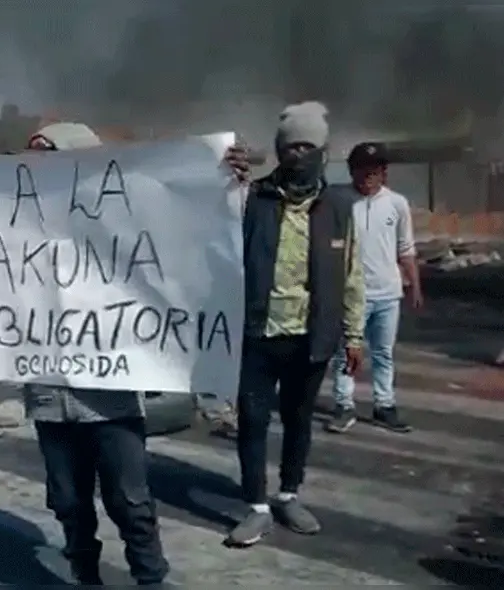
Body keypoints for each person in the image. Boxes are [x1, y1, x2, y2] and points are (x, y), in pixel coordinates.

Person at [24, 122, 250, 585]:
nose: (36, 170)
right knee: (67, 503)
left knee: (131, 503)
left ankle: (150, 580)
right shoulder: (18, 225)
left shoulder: (125, 220)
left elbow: (193, 229)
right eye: (31, 161)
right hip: (50, 397)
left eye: (49, 158)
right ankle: (86, 576)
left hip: (111, 396)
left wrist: (226, 183)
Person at [226, 102, 365, 548]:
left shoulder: (339, 206)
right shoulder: (253, 198)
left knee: (299, 420)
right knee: (251, 419)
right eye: (290, 146)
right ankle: (256, 506)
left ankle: (288, 494)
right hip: (258, 333)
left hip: (311, 336)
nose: (298, 154)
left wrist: (354, 334)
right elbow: (212, 225)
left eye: (308, 146)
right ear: (279, 151)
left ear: (323, 151)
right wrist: (220, 174)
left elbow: (352, 274)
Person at [327, 142, 421, 434]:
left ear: (384, 172)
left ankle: (384, 405)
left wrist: (414, 285)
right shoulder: (336, 199)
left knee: (383, 353)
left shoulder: (397, 204)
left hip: (387, 293)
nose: (369, 175)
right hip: (350, 294)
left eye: (375, 169)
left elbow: (405, 248)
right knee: (345, 353)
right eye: (363, 169)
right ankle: (344, 405)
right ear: (352, 170)